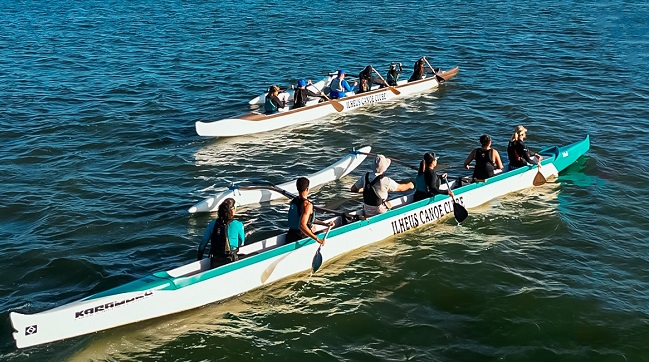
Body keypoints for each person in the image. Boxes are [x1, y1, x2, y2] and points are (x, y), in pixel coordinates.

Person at [197, 198, 245, 269]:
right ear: (232, 210)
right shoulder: (238, 224)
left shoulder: (212, 224)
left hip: (215, 261)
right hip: (231, 261)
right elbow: (242, 243)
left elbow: (202, 245)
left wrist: (199, 259)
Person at [286, 177, 335, 245]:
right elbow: (302, 225)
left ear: (297, 188)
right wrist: (317, 239)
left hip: (290, 235)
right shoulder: (307, 205)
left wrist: (325, 224)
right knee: (328, 231)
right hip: (301, 238)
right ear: (307, 189)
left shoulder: (293, 201)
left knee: (316, 228)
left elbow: (308, 219)